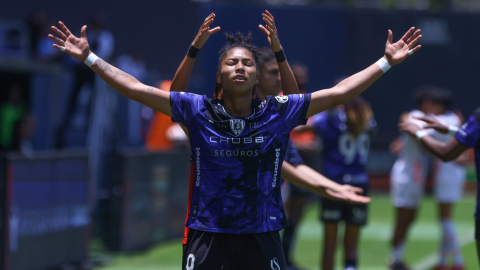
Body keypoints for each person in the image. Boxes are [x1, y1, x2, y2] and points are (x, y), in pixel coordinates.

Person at [48, 12, 421, 268]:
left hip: (262, 235)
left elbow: (338, 93)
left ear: (258, 75)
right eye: (231, 63)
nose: (240, 67)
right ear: (219, 75)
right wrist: (90, 58)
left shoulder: (277, 112)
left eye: (247, 63)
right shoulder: (196, 110)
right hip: (207, 236)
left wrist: (385, 63)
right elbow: (134, 87)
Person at [389, 88, 466, 270]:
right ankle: (396, 260)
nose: (428, 106)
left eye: (432, 103)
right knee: (404, 219)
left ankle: (398, 259)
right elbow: (411, 125)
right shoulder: (417, 116)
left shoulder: (443, 120)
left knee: (411, 219)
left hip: (418, 176)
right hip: (406, 176)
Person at [295, 96, 375, 270]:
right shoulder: (366, 117)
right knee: (351, 246)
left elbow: (299, 128)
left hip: (333, 186)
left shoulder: (329, 118)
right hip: (359, 184)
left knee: (329, 246)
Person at [399, 108, 480, 268]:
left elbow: (446, 152)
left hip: (446, 178)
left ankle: (456, 261)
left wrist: (419, 134)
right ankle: (449, 260)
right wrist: (451, 130)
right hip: (449, 177)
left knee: (445, 218)